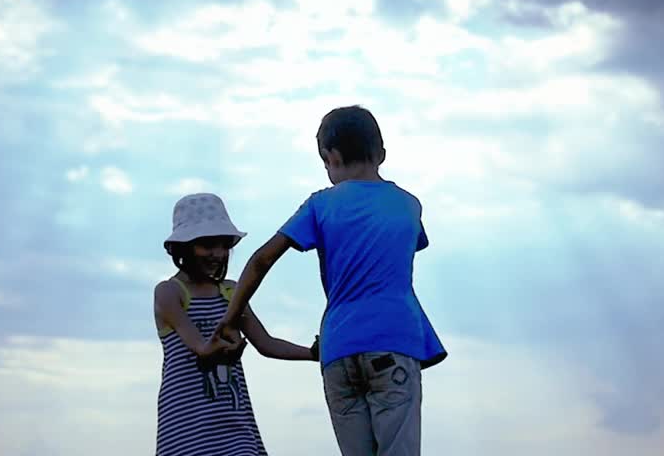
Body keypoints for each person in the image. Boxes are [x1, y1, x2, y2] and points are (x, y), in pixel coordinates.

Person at [216, 105, 447, 456]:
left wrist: (230, 321)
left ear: (331, 156)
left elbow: (261, 259)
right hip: (393, 343)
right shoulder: (409, 205)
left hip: (337, 351)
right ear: (381, 154)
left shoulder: (319, 205)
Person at [154, 192, 318, 456]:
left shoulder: (231, 292)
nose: (217, 254)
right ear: (184, 248)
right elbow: (199, 345)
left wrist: (314, 353)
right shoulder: (169, 292)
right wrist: (218, 347)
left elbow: (266, 344)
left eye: (223, 245)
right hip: (185, 422)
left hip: (232, 419)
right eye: (207, 245)